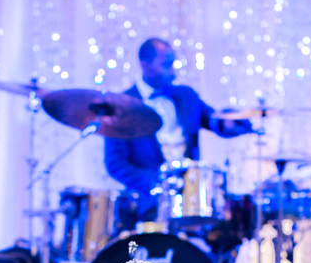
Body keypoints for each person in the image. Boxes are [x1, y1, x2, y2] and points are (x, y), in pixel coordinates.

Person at [104, 37, 253, 234]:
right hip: (149, 205)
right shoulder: (121, 106)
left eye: (173, 64)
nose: (173, 72)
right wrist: (158, 185)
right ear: (145, 65)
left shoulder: (186, 96)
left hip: (191, 200)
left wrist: (233, 122)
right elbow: (115, 164)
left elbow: (213, 121)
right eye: (166, 65)